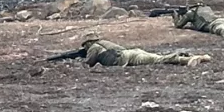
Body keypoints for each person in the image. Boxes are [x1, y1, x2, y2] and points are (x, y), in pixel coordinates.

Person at [49, 37, 209, 67]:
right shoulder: (104, 42)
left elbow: (89, 63)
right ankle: (192, 57)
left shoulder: (94, 47)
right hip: (131, 52)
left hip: (124, 58)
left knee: (158, 60)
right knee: (158, 58)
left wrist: (77, 61)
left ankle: (185, 60)